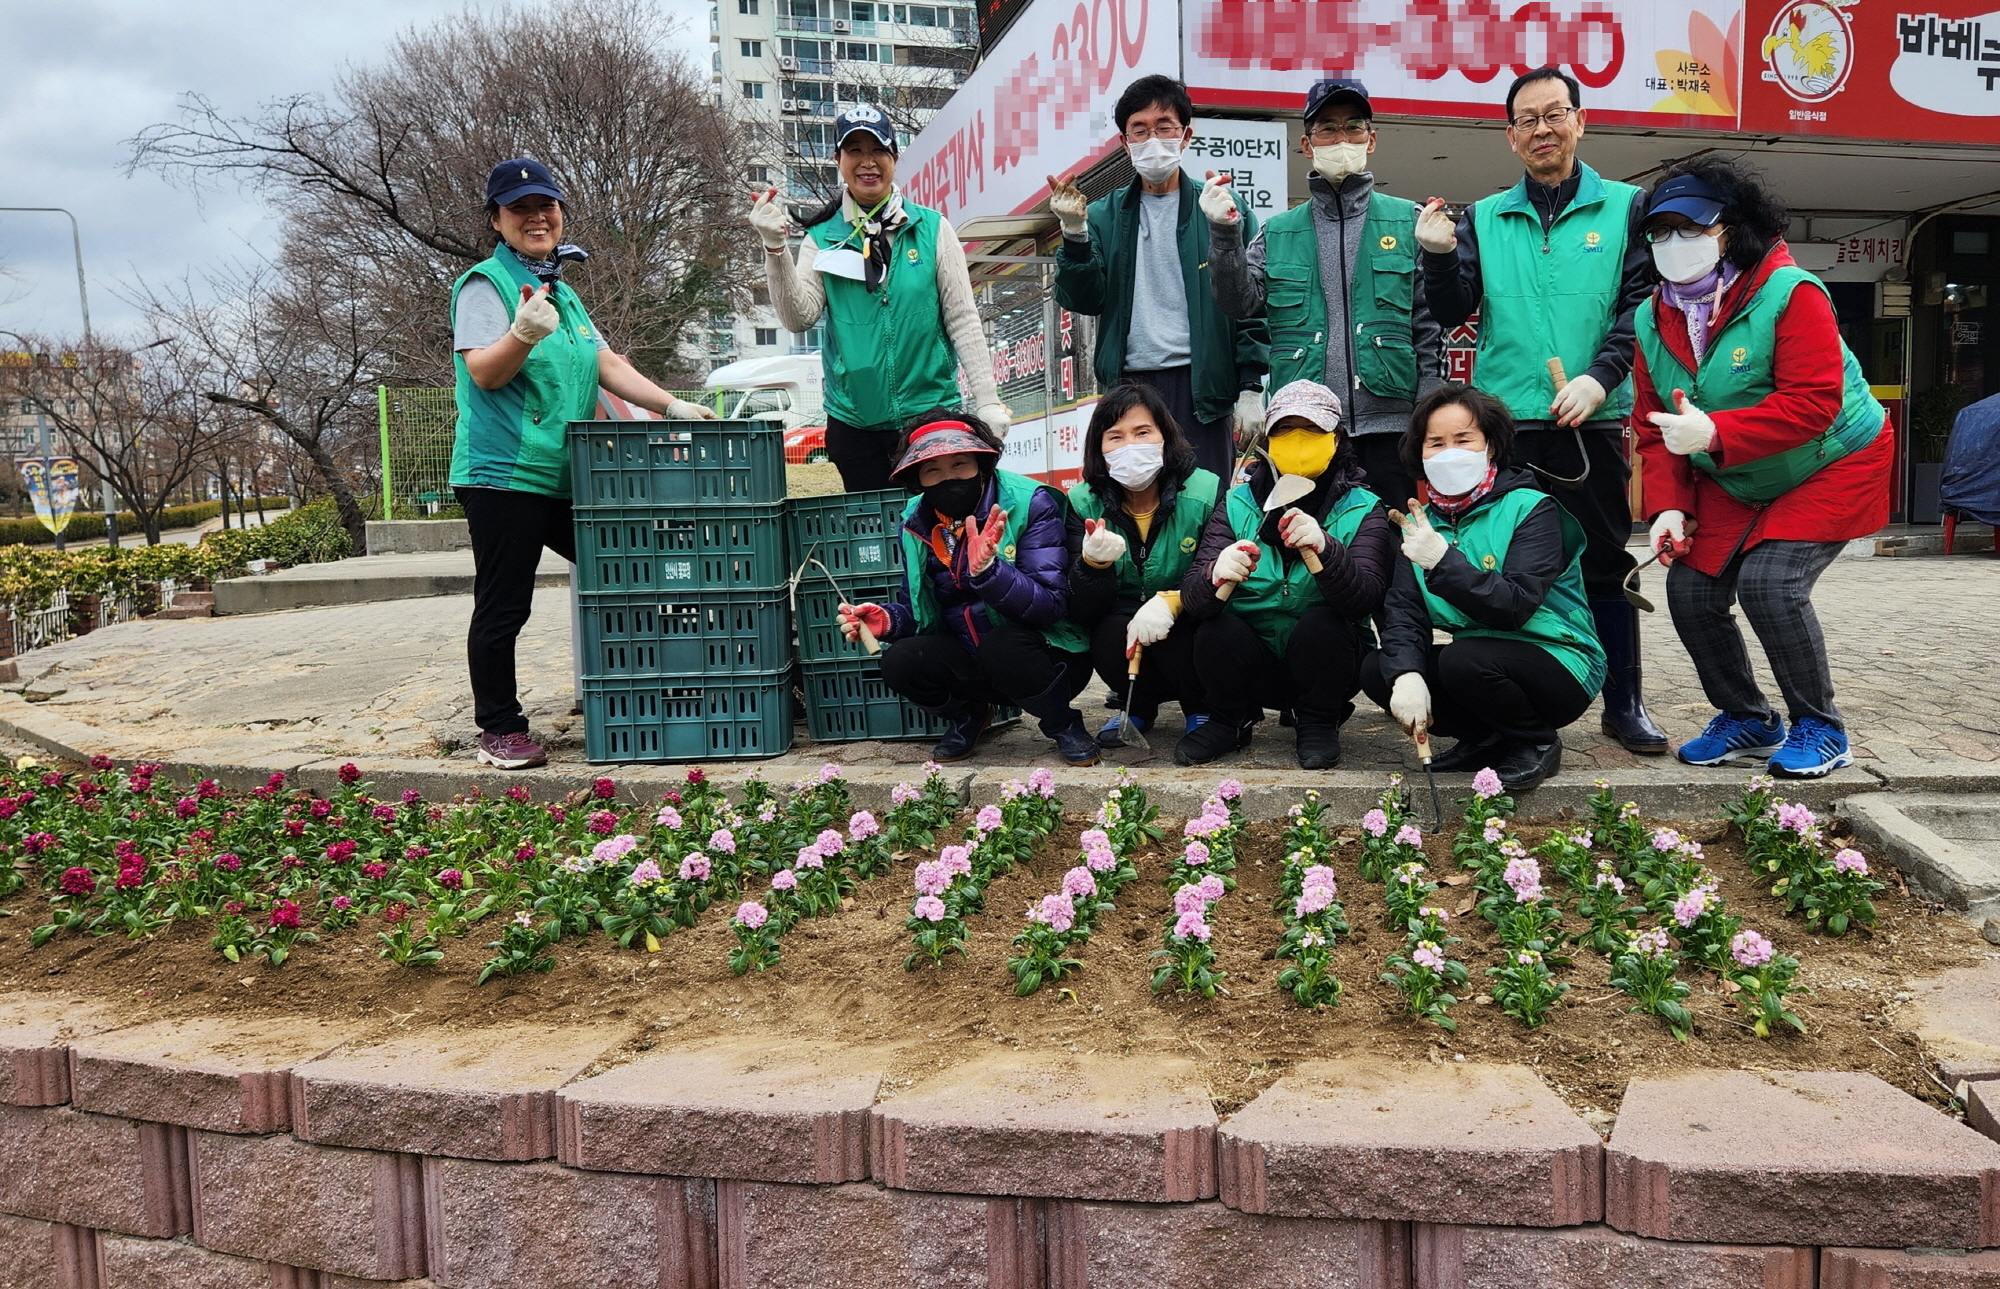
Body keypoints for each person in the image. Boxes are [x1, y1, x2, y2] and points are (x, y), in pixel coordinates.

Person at [1416, 65, 1669, 757]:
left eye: (1555, 114)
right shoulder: (1484, 216)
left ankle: (1623, 702)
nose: (1542, 130)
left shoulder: (1627, 208)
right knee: (1499, 562)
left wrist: (1600, 377)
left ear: (1580, 122)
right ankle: (1506, 702)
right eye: (1527, 120)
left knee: (1606, 560)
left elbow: (1641, 308)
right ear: (1511, 137)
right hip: (1508, 426)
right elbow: (1452, 309)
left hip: (1592, 418)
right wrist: (1438, 257)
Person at [451, 157, 716, 771]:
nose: (535, 217)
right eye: (518, 209)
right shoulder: (485, 285)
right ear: (496, 220)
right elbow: (484, 372)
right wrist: (521, 334)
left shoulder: (563, 293)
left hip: (565, 473)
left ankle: (648, 692)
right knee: (504, 604)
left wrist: (671, 405)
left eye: (545, 206)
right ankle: (499, 728)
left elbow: (605, 363)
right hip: (504, 474)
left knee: (627, 572)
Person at [1632, 160, 1894, 778]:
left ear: (1733, 229)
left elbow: (1813, 401)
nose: (1675, 242)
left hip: (1833, 459)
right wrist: (1669, 506)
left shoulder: (1791, 292)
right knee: (1690, 590)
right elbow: (1652, 426)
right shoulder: (1650, 317)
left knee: (1770, 584)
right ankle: (1747, 717)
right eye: (1661, 231)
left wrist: (1716, 433)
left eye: (1693, 227)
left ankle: (1821, 729)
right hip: (1737, 472)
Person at [1207, 79, 1445, 510]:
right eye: (1328, 129)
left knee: (1392, 538)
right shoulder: (1278, 232)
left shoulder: (1406, 220)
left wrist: (1428, 407)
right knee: (1306, 541)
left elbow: (1428, 322)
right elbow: (1237, 303)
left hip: (1391, 428)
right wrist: (1225, 234)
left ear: (1371, 139)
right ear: (1307, 144)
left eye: (1354, 127)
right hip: (1304, 429)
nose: (1342, 139)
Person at [1362, 384, 1606, 794]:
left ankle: (1535, 741)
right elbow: (1404, 611)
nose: (1449, 453)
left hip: (1558, 662)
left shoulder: (1531, 508)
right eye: (1435, 443)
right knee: (1378, 669)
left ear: (1490, 445)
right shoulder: (1420, 524)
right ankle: (1484, 740)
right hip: (1481, 662)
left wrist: (1442, 561)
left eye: (1463, 439)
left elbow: (1514, 606)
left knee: (1462, 661)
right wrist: (1406, 675)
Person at [751, 107, 1007, 490]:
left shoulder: (932, 228)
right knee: (870, 527)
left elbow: (962, 319)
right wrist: (775, 248)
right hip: (854, 424)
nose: (867, 162)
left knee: (938, 522)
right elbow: (798, 317)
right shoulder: (822, 238)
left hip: (930, 415)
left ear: (894, 157)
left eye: (878, 150)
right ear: (838, 159)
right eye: (854, 150)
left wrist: (987, 400)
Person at [835, 413, 1099, 766]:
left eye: (960, 464)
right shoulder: (915, 520)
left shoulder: (1030, 502)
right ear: (917, 477)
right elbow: (919, 609)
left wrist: (991, 572)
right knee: (900, 660)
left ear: (981, 462)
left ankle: (1062, 722)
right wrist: (888, 620)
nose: (948, 478)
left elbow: (1050, 605)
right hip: (970, 656)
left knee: (1001, 646)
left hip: (1046, 655)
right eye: (932, 470)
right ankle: (969, 715)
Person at [1048, 75, 1269, 483]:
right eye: (1140, 130)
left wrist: (1251, 386)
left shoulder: (1220, 206)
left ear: (1185, 136)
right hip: (1129, 389)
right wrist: (1075, 235)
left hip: (1203, 388)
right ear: (1124, 142)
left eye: (1164, 127)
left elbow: (1252, 304)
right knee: (1135, 503)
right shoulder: (1103, 216)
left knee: (1208, 504)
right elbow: (1083, 299)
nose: (1152, 139)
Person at [1177, 380, 1395, 768]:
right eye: (1285, 429)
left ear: (1336, 438)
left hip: (1326, 664)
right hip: (1254, 662)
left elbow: (1365, 598)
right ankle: (1230, 720)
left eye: (1312, 429)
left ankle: (1318, 721)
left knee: (1324, 625)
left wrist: (1327, 551)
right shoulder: (1236, 503)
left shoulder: (1365, 507)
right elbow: (1193, 598)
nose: (1297, 439)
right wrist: (1216, 573)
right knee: (1215, 630)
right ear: (1268, 440)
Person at [1063, 383, 1223, 748]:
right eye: (1115, 437)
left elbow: (1214, 571)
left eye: (1142, 432)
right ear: (1099, 448)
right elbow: (1080, 606)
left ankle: (1199, 706)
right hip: (1122, 616)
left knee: (1203, 628)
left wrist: (1172, 601)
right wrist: (1093, 565)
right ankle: (1136, 706)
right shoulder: (1082, 502)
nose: (1130, 446)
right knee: (1107, 632)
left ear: (1164, 436)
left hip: (1188, 610)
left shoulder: (1205, 491)